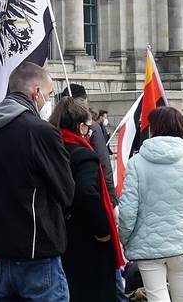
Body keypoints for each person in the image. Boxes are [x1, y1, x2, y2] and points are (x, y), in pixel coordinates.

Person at [0, 61, 74, 302]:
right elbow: (66, 191)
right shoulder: (40, 131)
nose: (47, 101)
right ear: (36, 92)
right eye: (48, 95)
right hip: (36, 255)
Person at [118, 105, 183, 302]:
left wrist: (125, 239)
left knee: (156, 296)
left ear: (153, 128)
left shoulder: (137, 162)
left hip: (148, 244)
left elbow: (128, 211)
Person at [50, 97, 124, 302]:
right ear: (80, 127)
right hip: (84, 239)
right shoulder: (83, 155)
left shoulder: (49, 149)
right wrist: (103, 231)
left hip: (56, 233)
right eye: (88, 126)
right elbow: (86, 193)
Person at [65, 83, 116, 200]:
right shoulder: (92, 127)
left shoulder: (54, 126)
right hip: (89, 193)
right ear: (85, 100)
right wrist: (112, 199)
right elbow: (103, 163)